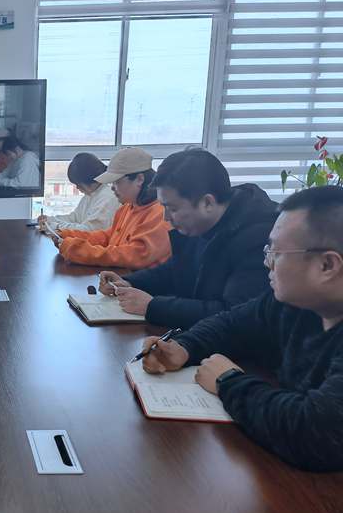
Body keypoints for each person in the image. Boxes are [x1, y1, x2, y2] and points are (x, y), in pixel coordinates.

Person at [140, 186, 343, 472]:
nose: (266, 262)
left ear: (327, 265)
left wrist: (227, 381)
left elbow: (314, 433)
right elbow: (231, 324)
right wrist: (184, 347)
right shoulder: (295, 303)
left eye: (276, 252)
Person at [98, 148, 277, 328]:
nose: (166, 217)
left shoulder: (258, 238)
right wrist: (130, 282)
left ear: (207, 202)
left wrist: (152, 307)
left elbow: (234, 315)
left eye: (173, 208)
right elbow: (176, 269)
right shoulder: (202, 223)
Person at [52, 147, 171, 269]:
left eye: (117, 182)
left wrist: (79, 251)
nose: (112, 188)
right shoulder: (127, 207)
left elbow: (133, 255)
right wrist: (67, 235)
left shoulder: (160, 214)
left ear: (139, 179)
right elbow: (107, 237)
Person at [39, 152, 120, 231]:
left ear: (89, 180)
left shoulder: (107, 198)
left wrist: (56, 226)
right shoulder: (91, 194)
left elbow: (88, 230)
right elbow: (75, 218)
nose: (77, 187)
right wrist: (50, 220)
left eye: (78, 184)